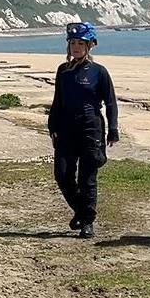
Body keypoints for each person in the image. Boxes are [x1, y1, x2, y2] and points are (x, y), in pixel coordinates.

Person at [47, 22, 118, 239]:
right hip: (66, 129)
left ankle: (87, 221)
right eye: (72, 43)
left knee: (87, 178)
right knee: (62, 174)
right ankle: (82, 210)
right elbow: (57, 100)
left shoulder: (99, 72)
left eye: (80, 43)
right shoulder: (63, 71)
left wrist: (113, 129)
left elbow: (111, 102)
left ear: (90, 45)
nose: (75, 47)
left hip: (90, 128)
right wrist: (52, 127)